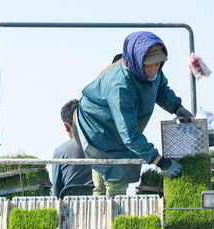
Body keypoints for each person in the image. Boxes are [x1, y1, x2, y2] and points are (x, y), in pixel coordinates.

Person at [75, 31, 193, 196]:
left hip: (120, 127)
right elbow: (129, 135)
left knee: (115, 166)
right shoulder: (120, 86)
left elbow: (161, 90)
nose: (153, 70)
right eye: (148, 65)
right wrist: (161, 161)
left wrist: (176, 107)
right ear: (136, 61)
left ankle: (105, 197)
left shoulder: (154, 71)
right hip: (97, 126)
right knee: (115, 173)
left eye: (157, 64)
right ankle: (110, 214)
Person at [50, 99, 93, 198]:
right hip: (101, 205)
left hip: (70, 209)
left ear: (66, 126)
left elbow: (57, 193)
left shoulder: (60, 152)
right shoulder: (103, 145)